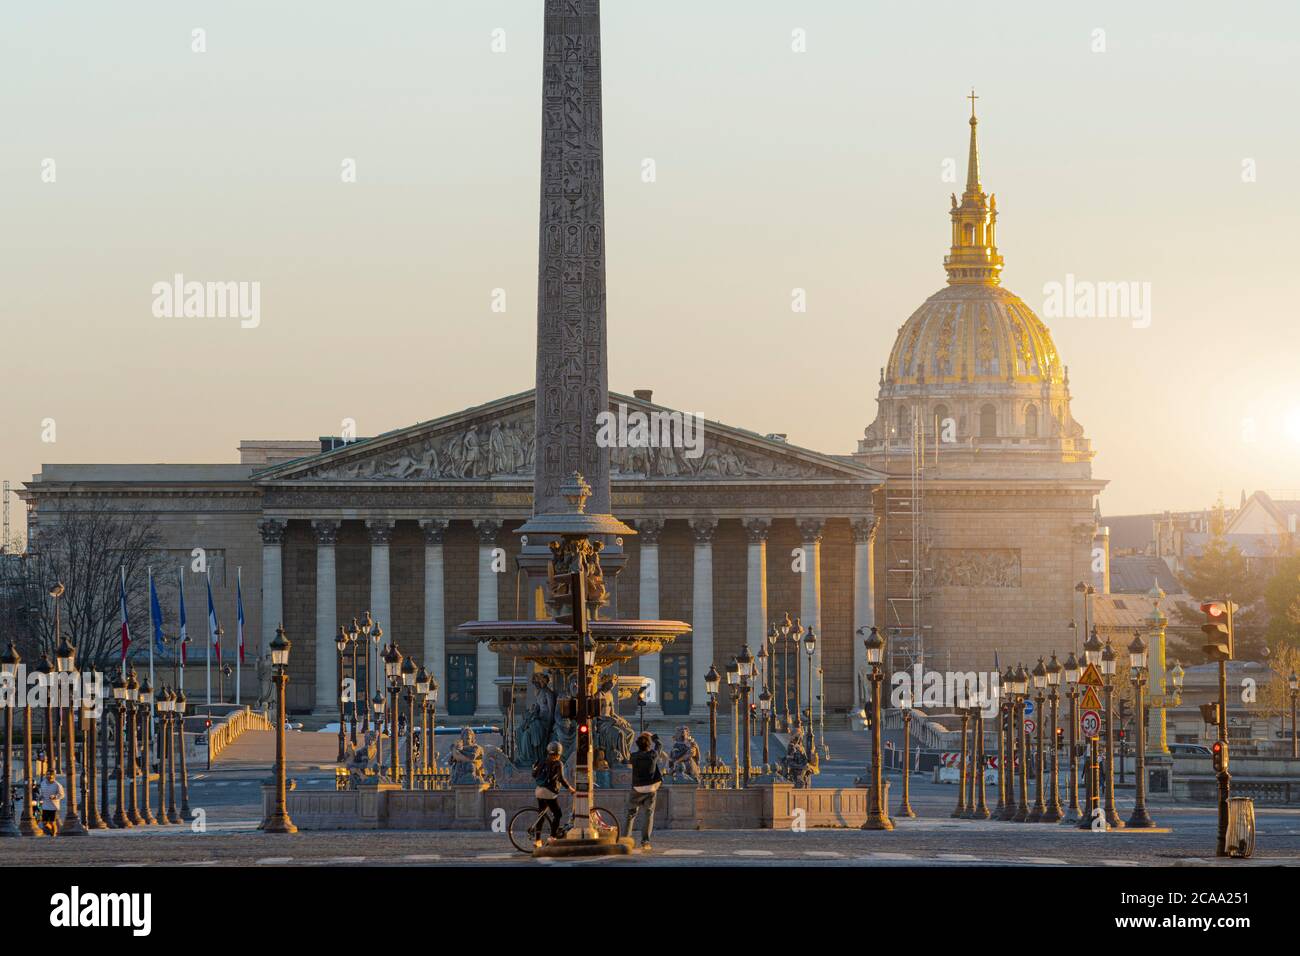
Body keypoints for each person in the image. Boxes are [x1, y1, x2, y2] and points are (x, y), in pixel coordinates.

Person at [624, 732, 662, 851]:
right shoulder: (653, 755)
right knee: (648, 814)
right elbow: (659, 744)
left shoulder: (633, 756)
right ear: (649, 745)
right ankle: (645, 841)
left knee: (631, 814)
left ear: (638, 745)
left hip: (637, 788)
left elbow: (626, 758)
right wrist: (653, 736)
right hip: (650, 788)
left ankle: (626, 839)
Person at [532, 741, 575, 846]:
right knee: (557, 814)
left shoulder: (541, 761)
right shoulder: (558, 763)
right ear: (559, 753)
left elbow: (534, 775)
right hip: (549, 792)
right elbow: (561, 779)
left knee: (541, 814)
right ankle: (552, 837)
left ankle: (537, 840)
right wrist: (570, 789)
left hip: (538, 790)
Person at [38, 770, 64, 837]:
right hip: (45, 806)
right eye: (47, 774)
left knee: (52, 822)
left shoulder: (57, 785)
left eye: (50, 774)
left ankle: (53, 834)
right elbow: (42, 792)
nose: (48, 776)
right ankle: (50, 831)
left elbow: (62, 795)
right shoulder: (43, 783)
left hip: (54, 807)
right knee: (44, 822)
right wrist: (41, 796)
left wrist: (55, 796)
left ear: (53, 776)